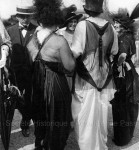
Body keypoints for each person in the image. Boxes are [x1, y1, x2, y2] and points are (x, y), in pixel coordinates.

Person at [27, 0, 75, 149]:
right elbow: (70, 67)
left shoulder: (31, 42)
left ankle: (40, 144)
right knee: (58, 119)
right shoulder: (59, 41)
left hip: (37, 85)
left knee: (40, 118)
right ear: (56, 21)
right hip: (55, 86)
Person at [70, 0, 118, 149]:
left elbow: (76, 52)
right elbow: (114, 51)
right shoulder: (111, 27)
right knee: (101, 115)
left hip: (86, 78)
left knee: (83, 115)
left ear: (87, 10)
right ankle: (100, 146)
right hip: (105, 79)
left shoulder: (82, 25)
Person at [110, 0, 139, 146]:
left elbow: (122, 55)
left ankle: (122, 138)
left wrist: (116, 65)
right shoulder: (129, 36)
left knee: (121, 105)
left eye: (117, 24)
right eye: (115, 24)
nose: (115, 26)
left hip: (123, 74)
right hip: (129, 73)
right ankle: (126, 135)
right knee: (129, 105)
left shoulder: (123, 38)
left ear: (124, 26)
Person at [7, 3, 37, 137]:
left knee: (29, 99)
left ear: (31, 17)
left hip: (31, 72)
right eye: (22, 16)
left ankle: (25, 124)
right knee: (12, 99)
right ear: (17, 17)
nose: (25, 19)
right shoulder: (9, 31)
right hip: (14, 73)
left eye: (27, 16)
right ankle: (7, 128)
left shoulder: (37, 30)